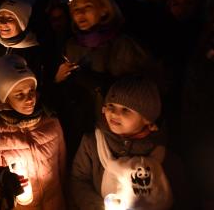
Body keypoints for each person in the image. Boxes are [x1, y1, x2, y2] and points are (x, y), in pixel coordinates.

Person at [45, 0, 151, 165]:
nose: (80, 13)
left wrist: (95, 81)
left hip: (113, 128)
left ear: (104, 10)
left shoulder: (123, 44)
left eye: (87, 6)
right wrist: (58, 80)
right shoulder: (70, 46)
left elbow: (136, 91)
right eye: (76, 9)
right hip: (78, 125)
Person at [70, 75, 188, 210]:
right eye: (110, 105)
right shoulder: (92, 143)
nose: (114, 113)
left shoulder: (162, 151)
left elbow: (181, 192)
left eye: (125, 109)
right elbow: (79, 179)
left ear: (147, 119)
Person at [0, 54, 66, 210]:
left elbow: (63, 170)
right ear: (5, 98)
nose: (29, 99)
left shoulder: (52, 124)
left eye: (31, 91)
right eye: (19, 94)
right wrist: (2, 179)